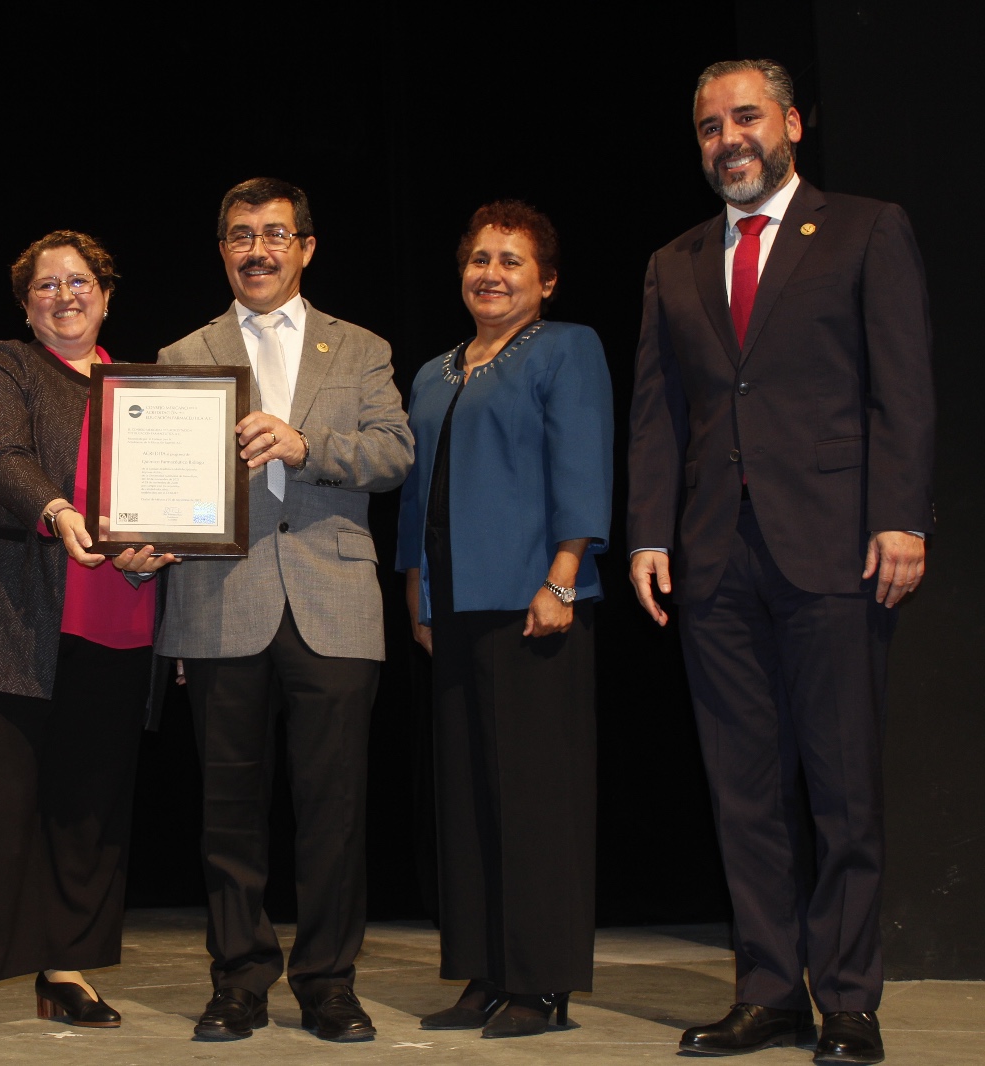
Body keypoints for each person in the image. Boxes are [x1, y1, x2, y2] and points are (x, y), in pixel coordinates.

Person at [627, 59, 934, 1066]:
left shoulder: (863, 227)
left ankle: (846, 997)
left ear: (791, 122)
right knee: (743, 790)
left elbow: (903, 383)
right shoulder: (673, 261)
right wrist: (648, 533)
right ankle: (767, 990)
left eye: (745, 117)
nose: (728, 138)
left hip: (835, 547)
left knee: (842, 788)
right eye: (710, 124)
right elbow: (657, 414)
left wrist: (899, 515)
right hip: (714, 558)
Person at [150, 177, 413, 1043]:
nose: (255, 250)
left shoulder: (360, 346)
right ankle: (239, 980)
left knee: (335, 809)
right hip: (219, 603)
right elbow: (163, 485)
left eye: (272, 234)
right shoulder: (183, 355)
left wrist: (308, 445)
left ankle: (330, 982)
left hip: (334, 597)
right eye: (238, 235)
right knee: (228, 808)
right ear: (221, 249)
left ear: (306, 245)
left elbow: (394, 453)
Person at [0, 230, 172, 1041]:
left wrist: (166, 541)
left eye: (81, 281)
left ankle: (68, 971)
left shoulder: (152, 387)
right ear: (25, 305)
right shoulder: (5, 365)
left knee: (90, 806)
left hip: (117, 613)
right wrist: (56, 511)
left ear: (107, 293)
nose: (66, 295)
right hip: (6, 609)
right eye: (46, 285)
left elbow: (179, 491)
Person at [395, 201, 612, 1038]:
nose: (491, 272)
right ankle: (485, 972)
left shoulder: (567, 348)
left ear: (545, 280)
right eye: (479, 258)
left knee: (536, 801)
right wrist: (415, 591)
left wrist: (563, 575)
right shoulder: (434, 370)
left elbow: (582, 461)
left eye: (511, 261)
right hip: (451, 605)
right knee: (469, 796)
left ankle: (542, 982)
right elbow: (418, 493)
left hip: (534, 604)